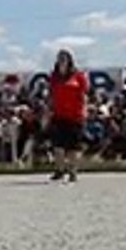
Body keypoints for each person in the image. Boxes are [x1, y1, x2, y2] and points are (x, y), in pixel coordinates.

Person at [47, 49, 88, 183]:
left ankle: (73, 172)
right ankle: (59, 170)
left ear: (69, 60)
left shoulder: (78, 76)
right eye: (59, 59)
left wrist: (84, 110)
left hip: (75, 116)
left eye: (64, 59)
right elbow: (51, 94)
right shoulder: (54, 77)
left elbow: (85, 93)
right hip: (59, 115)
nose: (61, 61)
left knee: (73, 147)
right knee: (58, 146)